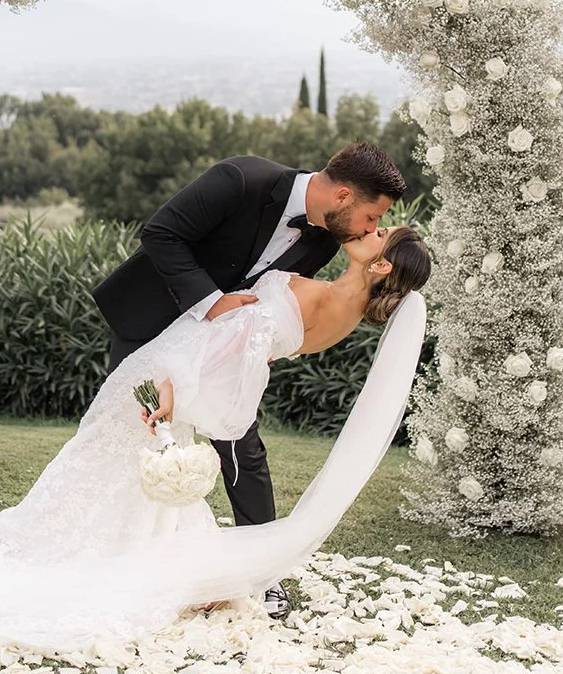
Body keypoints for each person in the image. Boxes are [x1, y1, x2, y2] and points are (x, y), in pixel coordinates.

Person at [0, 226, 432, 663]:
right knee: (110, 485)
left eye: (381, 236)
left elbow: (231, 355)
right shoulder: (338, 312)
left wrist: (169, 394)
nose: (369, 231)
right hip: (178, 387)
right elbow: (241, 361)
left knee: (100, 473)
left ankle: (61, 551)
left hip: (162, 379)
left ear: (379, 270)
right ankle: (88, 546)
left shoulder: (316, 297)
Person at [92, 143, 407, 618]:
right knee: (131, 435)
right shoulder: (241, 178)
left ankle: (264, 575)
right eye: (371, 216)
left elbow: (278, 307)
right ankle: (110, 550)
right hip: (151, 324)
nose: (369, 229)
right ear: (343, 194)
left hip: (226, 353)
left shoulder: (324, 241)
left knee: (241, 445)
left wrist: (260, 349)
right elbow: (160, 233)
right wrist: (210, 301)